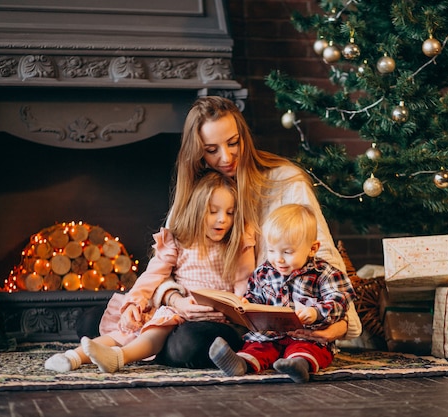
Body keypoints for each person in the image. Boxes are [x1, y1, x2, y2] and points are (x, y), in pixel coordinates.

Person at [152, 96, 361, 369]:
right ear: (198, 152)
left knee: (188, 344)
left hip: (260, 329)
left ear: (244, 138)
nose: (226, 158)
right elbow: (160, 267)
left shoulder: (286, 181)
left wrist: (339, 326)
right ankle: (156, 343)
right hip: (191, 316)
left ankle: (158, 347)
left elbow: (321, 257)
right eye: (211, 149)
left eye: (233, 143)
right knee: (95, 320)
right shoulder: (197, 190)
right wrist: (175, 300)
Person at [44, 171, 255, 373]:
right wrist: (133, 304)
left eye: (230, 212)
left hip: (213, 320)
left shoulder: (237, 242)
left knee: (155, 330)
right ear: (196, 209)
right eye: (213, 211)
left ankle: (120, 357)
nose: (223, 219)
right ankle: (73, 357)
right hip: (177, 310)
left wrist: (240, 307)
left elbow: (244, 284)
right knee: (128, 329)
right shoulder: (178, 241)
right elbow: (152, 276)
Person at [209, 204, 356, 383]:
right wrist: (246, 306)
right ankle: (241, 363)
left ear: (312, 248)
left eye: (287, 252)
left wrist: (315, 312)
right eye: (271, 250)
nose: (278, 259)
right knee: (257, 347)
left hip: (307, 336)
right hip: (270, 335)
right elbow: (254, 297)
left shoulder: (325, 274)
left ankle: (299, 365)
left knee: (308, 349)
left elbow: (340, 300)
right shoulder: (263, 272)